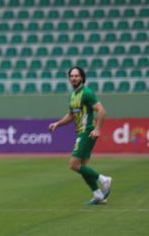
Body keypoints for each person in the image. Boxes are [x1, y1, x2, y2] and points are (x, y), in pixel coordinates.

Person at [47, 66, 112, 205]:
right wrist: (58, 123)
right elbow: (71, 115)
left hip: (87, 132)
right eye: (71, 76)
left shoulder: (87, 93)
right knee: (84, 167)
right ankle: (98, 195)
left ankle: (104, 179)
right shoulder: (73, 95)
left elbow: (101, 110)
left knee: (73, 164)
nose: (73, 78)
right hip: (81, 132)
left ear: (82, 77)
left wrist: (98, 129)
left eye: (76, 76)